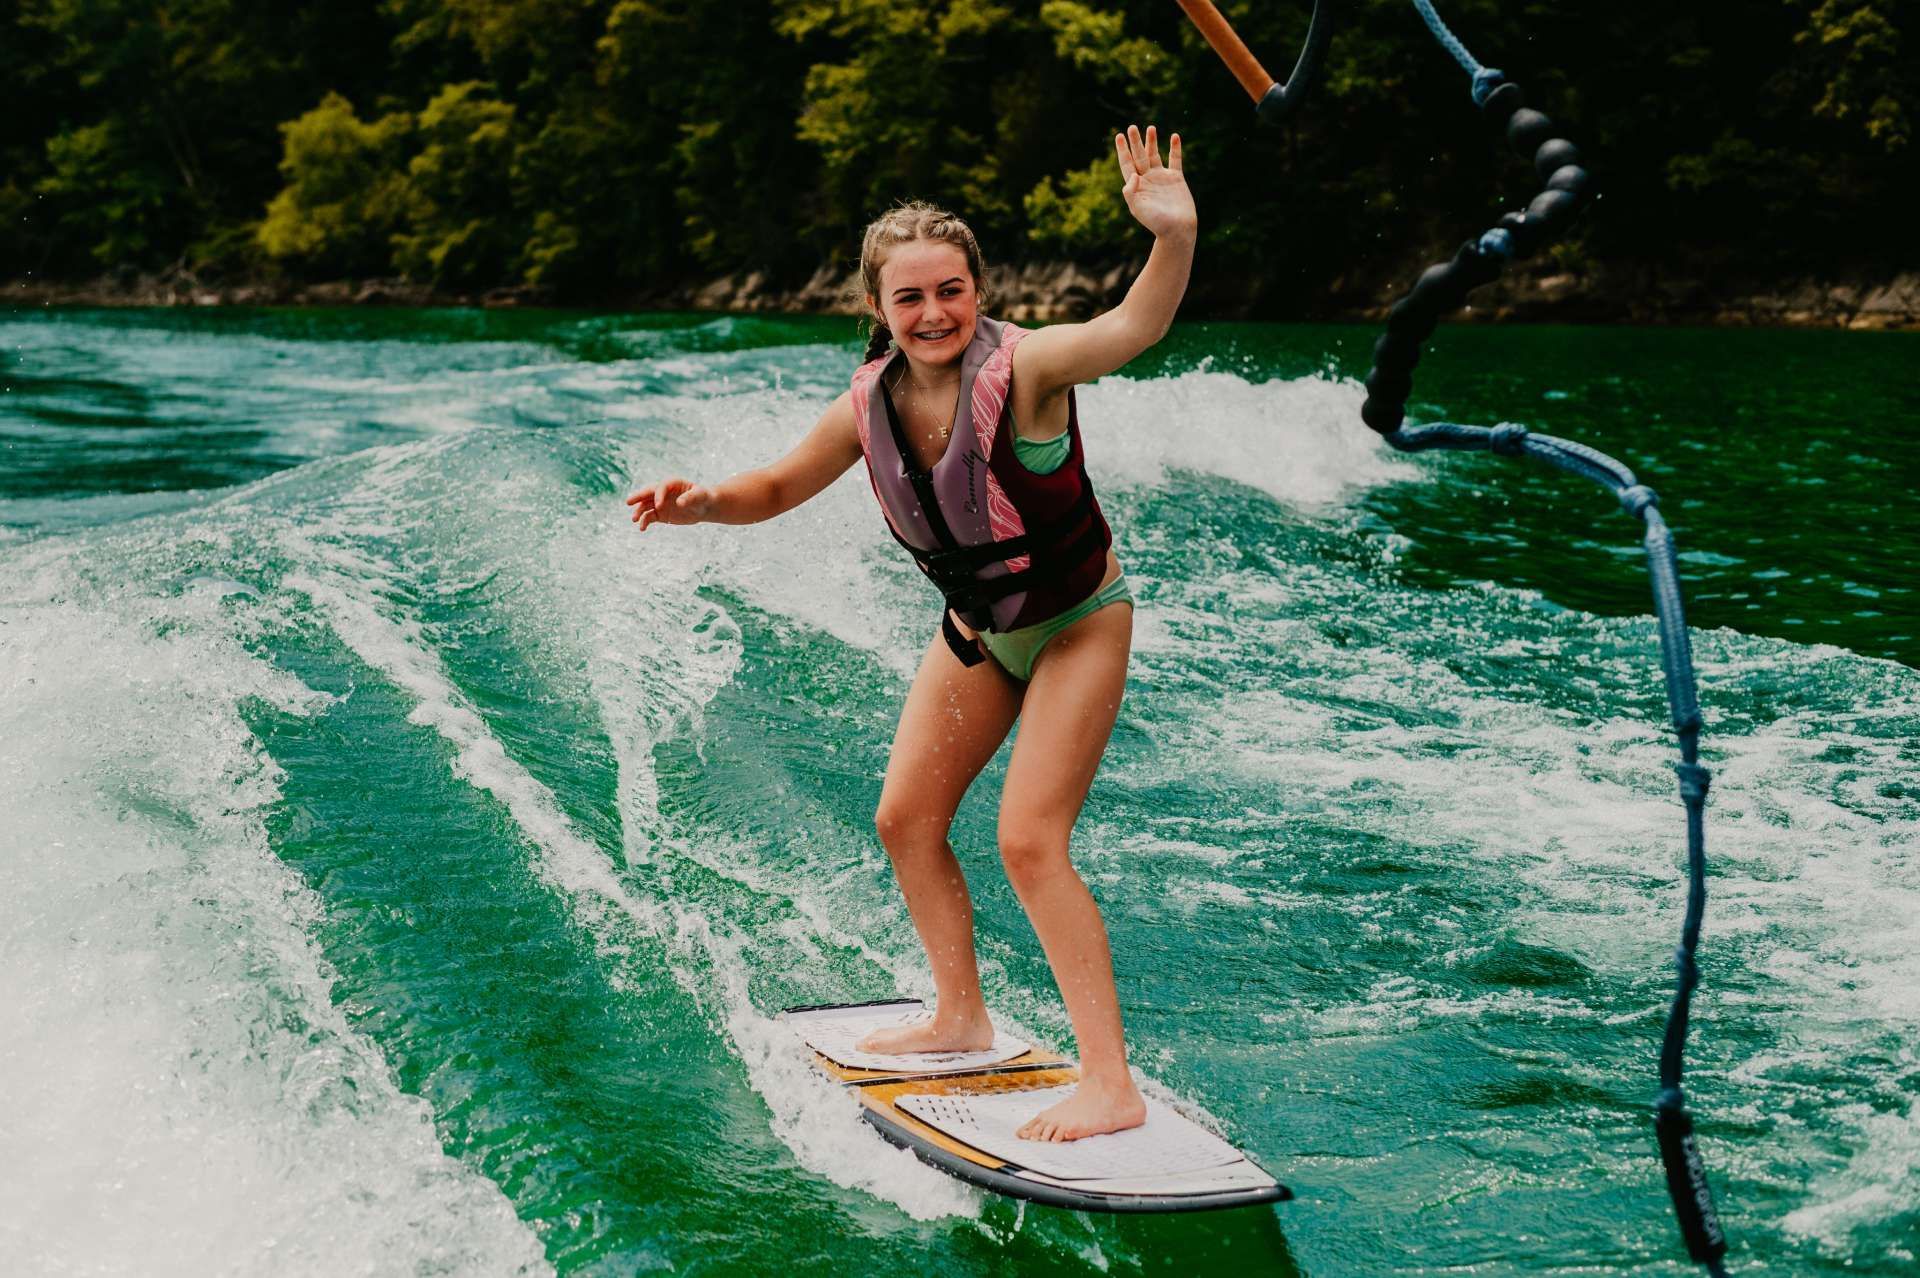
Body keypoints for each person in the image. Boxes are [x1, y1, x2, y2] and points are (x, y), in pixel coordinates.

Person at [626, 125, 1194, 1141]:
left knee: (1028, 839)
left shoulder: (1030, 368)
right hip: (980, 630)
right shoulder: (870, 402)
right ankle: (959, 1014)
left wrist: (1172, 239)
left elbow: (1131, 329)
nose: (933, 312)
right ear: (878, 309)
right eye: (909, 297)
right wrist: (700, 501)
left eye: (950, 291)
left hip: (1074, 625)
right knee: (905, 821)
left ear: (979, 292)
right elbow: (777, 486)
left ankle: (1110, 1080)